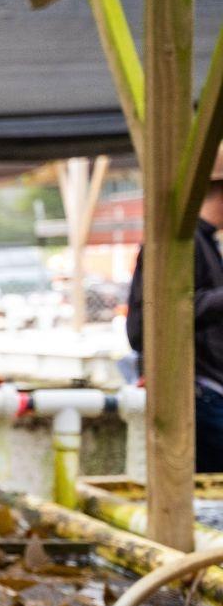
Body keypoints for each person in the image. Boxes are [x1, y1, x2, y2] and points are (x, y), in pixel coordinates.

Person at [126, 149, 223, 470]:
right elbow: (154, 316)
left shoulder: (200, 243)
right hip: (193, 394)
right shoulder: (179, 241)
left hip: (201, 392)